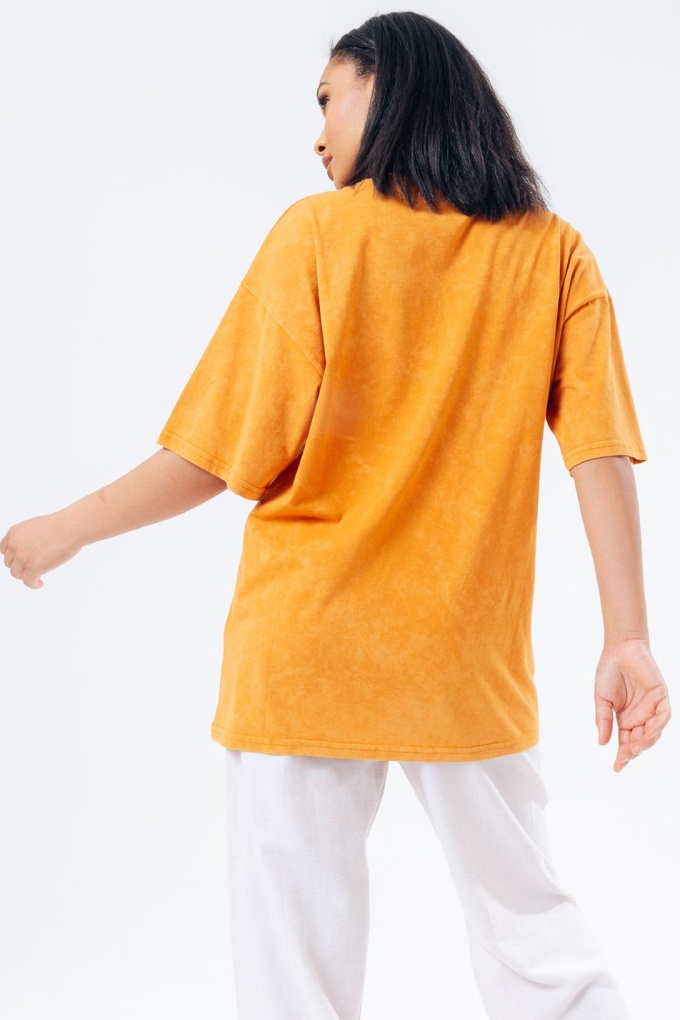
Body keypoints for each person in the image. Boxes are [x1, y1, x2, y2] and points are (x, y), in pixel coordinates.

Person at [1, 10, 671, 1020]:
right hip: (462, 658)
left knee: (293, 982)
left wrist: (62, 529)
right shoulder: (552, 254)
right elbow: (598, 451)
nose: (316, 136)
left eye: (328, 100)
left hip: (304, 650)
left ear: (389, 88)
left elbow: (217, 453)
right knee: (538, 943)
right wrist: (627, 638)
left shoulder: (316, 235)